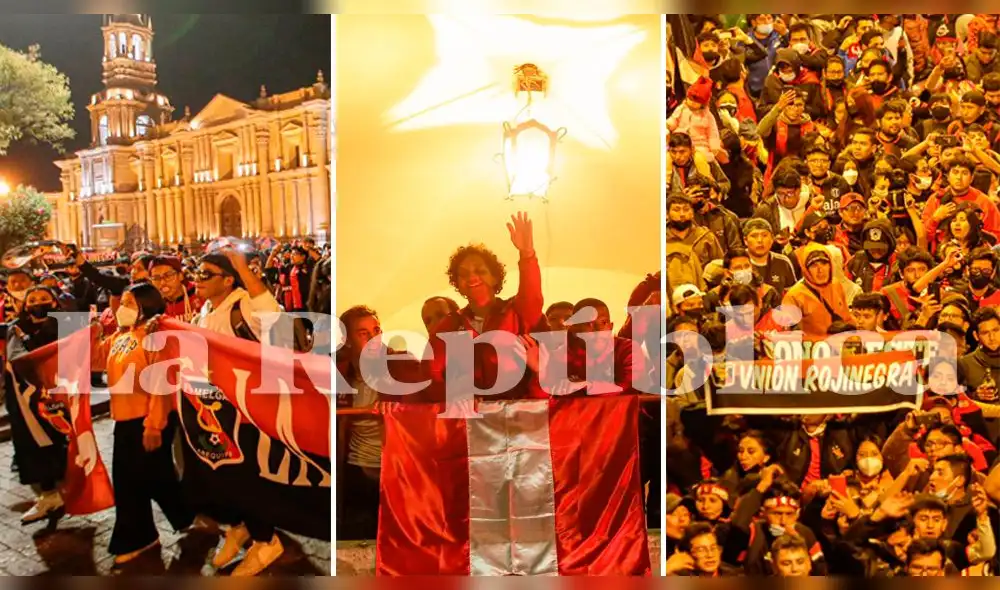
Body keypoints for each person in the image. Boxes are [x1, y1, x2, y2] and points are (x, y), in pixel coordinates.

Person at [187, 248, 285, 576]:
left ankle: (266, 540)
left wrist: (245, 269)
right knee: (220, 476)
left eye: (206, 275)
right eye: (197, 273)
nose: (197, 280)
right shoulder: (204, 309)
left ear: (228, 280)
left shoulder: (242, 304)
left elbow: (273, 315)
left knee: (247, 477)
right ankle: (238, 525)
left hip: (247, 408)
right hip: (214, 408)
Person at [92, 282, 195, 565]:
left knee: (130, 484)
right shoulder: (121, 336)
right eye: (122, 303)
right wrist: (93, 331)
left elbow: (162, 383)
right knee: (156, 475)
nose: (121, 309)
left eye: (128, 303)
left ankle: (139, 537)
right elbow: (97, 360)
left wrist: (154, 424)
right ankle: (185, 514)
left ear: (145, 305)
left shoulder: (156, 336)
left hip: (148, 419)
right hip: (124, 419)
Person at [4, 286, 67, 524]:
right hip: (27, 399)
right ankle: (48, 494)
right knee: (34, 445)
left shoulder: (65, 323)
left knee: (59, 442)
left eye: (43, 298)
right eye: (33, 300)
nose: (38, 303)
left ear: (54, 302)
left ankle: (66, 489)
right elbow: (18, 359)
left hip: (58, 396)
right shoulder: (16, 328)